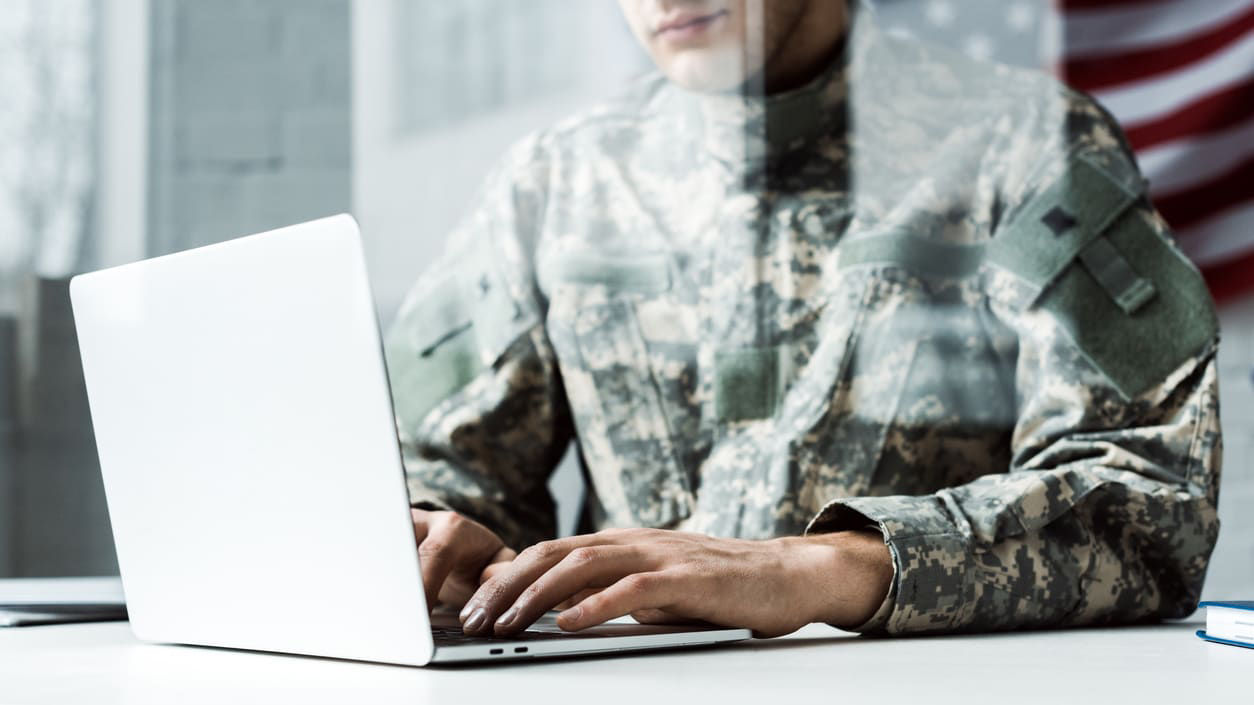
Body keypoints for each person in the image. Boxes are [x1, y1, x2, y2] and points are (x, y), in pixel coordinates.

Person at [384, 0, 1221, 639]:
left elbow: (1152, 509)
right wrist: (428, 540)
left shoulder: (1028, 146)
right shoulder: (558, 180)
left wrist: (814, 569)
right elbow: (445, 475)